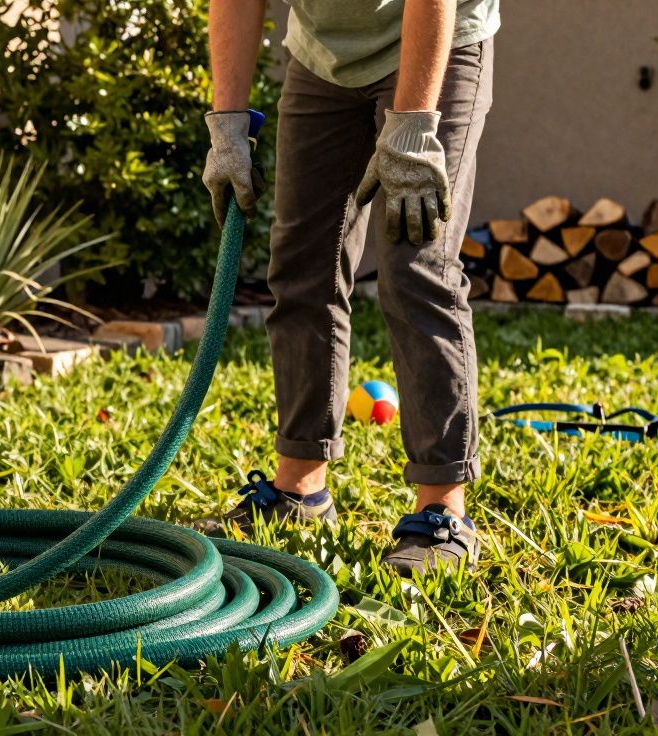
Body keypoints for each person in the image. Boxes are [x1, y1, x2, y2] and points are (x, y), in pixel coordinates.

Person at [198, 0, 499, 575]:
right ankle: (299, 491)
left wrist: (412, 125)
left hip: (438, 39)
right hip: (323, 57)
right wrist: (227, 124)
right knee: (302, 263)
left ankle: (443, 511)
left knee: (417, 265)